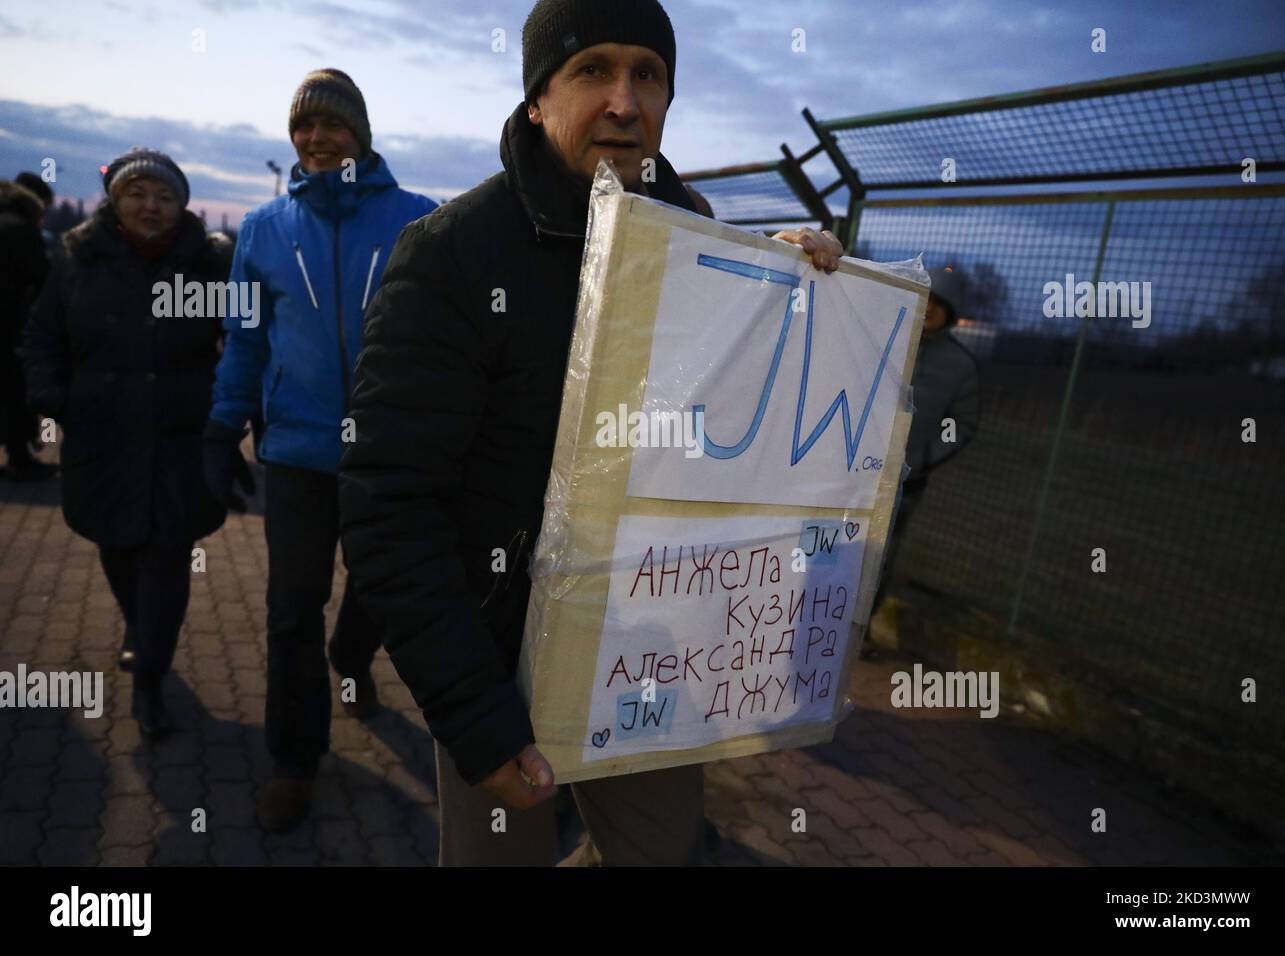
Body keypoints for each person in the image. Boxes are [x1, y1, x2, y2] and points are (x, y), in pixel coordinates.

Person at [338, 0, 843, 866]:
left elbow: (742, 433)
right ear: (538, 98)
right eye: (592, 70)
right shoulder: (453, 254)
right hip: (499, 672)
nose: (623, 100)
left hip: (653, 657)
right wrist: (475, 720)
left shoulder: (703, 243)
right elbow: (390, 505)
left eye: (647, 74)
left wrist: (796, 279)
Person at [204, 68, 437, 833]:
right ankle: (294, 761)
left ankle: (354, 656)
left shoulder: (416, 222)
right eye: (303, 126)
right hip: (298, 453)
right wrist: (222, 425)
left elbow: (441, 340)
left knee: (382, 589)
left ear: (360, 135)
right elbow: (243, 339)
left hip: (385, 453)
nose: (316, 138)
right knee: (289, 609)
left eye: (331, 125)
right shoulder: (264, 230)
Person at [23, 148, 233, 735]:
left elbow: (239, 340)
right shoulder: (77, 258)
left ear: (182, 205)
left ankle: (150, 680)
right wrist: (54, 397)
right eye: (138, 193)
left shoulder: (208, 262)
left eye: (165, 196)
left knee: (169, 556)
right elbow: (42, 335)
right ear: (115, 201)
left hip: (181, 437)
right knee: (117, 545)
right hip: (101, 435)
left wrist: (231, 409)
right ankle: (138, 629)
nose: (151, 206)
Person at [867, 264, 980, 627]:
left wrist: (923, 458)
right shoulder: (884, 339)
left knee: (879, 555)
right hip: (853, 469)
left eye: (940, 303)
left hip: (906, 482)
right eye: (925, 299)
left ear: (952, 312)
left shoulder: (960, 367)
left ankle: (862, 626)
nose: (929, 308)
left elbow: (959, 427)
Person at [0, 178, 55, 481]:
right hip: (9, 323)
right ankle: (20, 458)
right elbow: (43, 276)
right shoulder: (19, 229)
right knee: (14, 390)